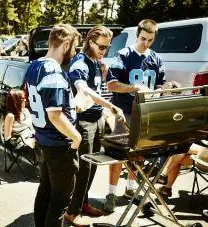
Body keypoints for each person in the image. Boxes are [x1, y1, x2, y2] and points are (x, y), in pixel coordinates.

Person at [65, 26, 125, 225]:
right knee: (83, 168)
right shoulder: (80, 62)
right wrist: (110, 105)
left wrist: (105, 111)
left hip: (97, 119)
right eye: (101, 47)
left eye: (107, 48)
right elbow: (82, 88)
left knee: (91, 167)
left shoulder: (97, 62)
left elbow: (99, 87)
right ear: (90, 42)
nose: (104, 51)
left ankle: (82, 203)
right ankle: (72, 212)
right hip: (84, 122)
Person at [104, 19, 166, 212]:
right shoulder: (123, 55)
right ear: (136, 35)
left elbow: (160, 85)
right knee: (118, 156)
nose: (145, 43)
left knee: (139, 155)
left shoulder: (156, 58)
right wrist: (134, 88)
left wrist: (158, 92)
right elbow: (111, 84)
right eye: (142, 38)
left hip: (145, 115)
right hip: (123, 113)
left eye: (150, 39)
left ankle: (131, 189)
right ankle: (111, 193)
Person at [25, 24, 82, 227]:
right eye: (74, 48)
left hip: (42, 140)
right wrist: (77, 137)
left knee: (45, 194)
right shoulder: (54, 73)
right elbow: (55, 116)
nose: (74, 54)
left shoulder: (34, 65)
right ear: (66, 44)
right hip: (58, 145)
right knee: (59, 201)